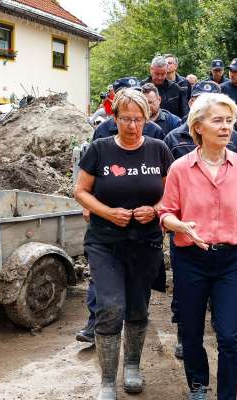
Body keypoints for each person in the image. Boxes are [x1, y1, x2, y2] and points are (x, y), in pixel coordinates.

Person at [159, 93, 237, 399]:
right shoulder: (180, 169)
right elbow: (165, 213)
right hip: (190, 257)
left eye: (229, 121)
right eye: (218, 120)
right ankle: (198, 384)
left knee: (230, 336)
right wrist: (179, 225)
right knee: (191, 332)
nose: (226, 127)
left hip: (230, 260)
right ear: (198, 126)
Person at [75, 88, 174, 400]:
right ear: (113, 118)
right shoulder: (100, 149)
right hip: (106, 240)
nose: (133, 125)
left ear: (146, 118)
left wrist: (155, 210)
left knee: (136, 306)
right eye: (126, 119)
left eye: (138, 119)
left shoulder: (159, 149)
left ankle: (132, 365)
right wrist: (106, 212)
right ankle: (107, 380)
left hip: (145, 241)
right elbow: (81, 190)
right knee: (110, 306)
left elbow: (174, 193)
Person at [164, 81, 237, 160]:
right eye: (201, 101)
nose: (207, 105)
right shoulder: (173, 139)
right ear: (190, 103)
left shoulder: (233, 137)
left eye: (213, 101)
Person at [92, 77, 164, 141]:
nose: (131, 100)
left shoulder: (154, 131)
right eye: (125, 95)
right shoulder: (102, 131)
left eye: (137, 94)